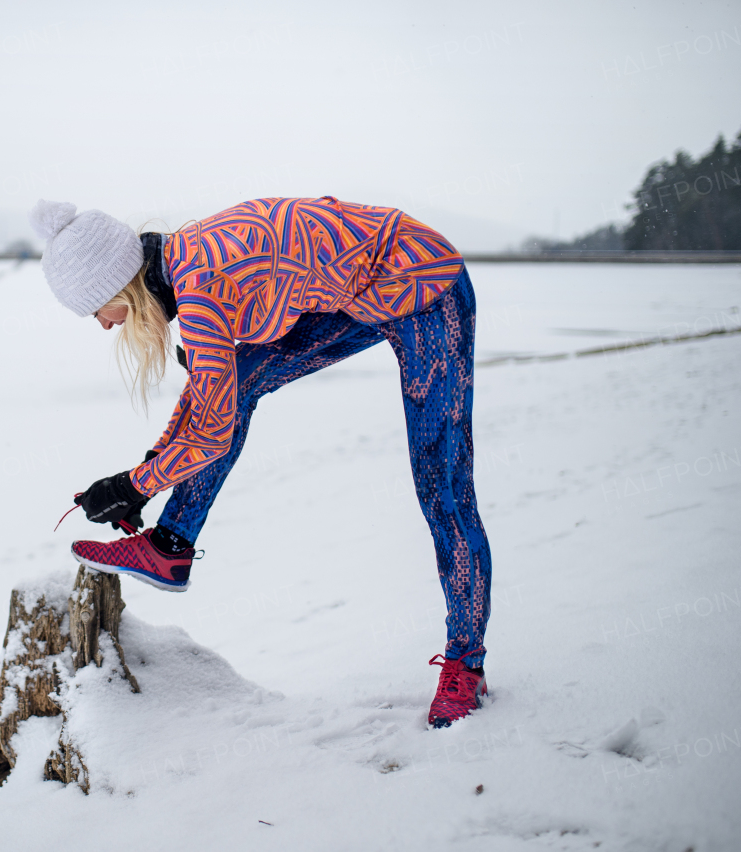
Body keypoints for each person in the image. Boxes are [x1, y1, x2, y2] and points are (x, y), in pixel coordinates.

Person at [29, 196, 491, 728]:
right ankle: (169, 545)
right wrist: (147, 471)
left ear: (119, 289)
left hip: (426, 283)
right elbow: (210, 401)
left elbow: (212, 430)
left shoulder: (198, 291)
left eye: (95, 312)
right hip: (362, 293)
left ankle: (466, 663)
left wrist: (135, 485)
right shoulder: (186, 266)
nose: (105, 327)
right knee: (239, 382)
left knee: (443, 484)